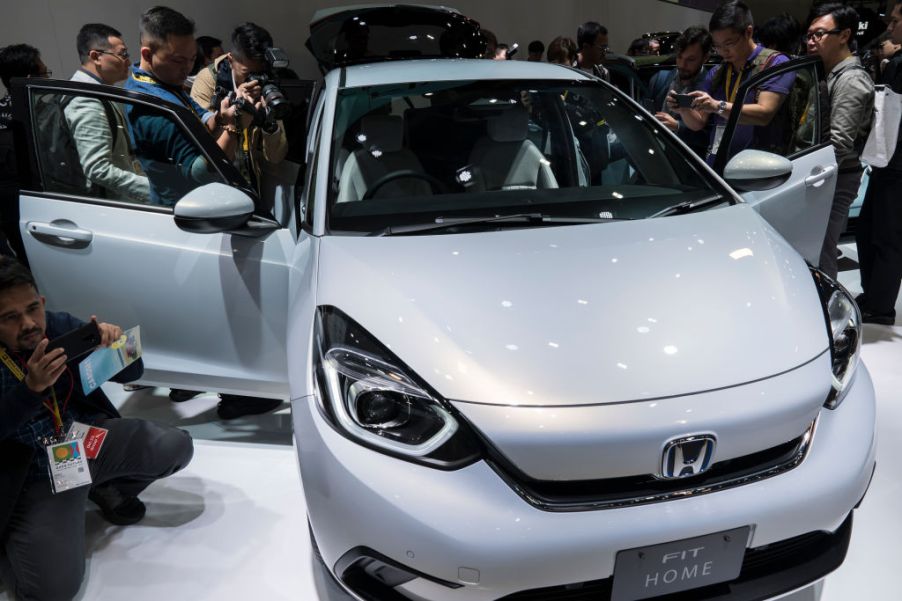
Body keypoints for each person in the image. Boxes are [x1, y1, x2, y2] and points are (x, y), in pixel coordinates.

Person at [0, 256, 194, 601]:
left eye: (32, 308)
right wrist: (30, 390)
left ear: (41, 301)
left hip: (79, 439)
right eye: (9, 317)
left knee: (174, 446)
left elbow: (134, 372)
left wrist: (117, 345)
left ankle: (103, 488)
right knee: (52, 590)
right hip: (27, 476)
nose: (28, 324)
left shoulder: (59, 326)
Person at [124, 6, 252, 206]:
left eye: (192, 59)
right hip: (181, 211)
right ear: (148, 55)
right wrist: (234, 127)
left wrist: (222, 116)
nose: (188, 69)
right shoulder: (150, 108)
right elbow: (202, 173)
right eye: (178, 60)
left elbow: (200, 118)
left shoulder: (164, 81)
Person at [672, 0, 795, 166]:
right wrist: (684, 109)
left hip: (759, 168)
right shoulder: (718, 72)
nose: (723, 52)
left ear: (748, 32)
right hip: (717, 164)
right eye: (717, 46)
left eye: (729, 44)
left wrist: (718, 106)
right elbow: (698, 122)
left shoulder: (775, 64)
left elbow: (764, 114)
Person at [805, 4, 874, 280]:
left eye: (819, 34)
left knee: (821, 252)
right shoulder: (828, 73)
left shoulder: (851, 80)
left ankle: (827, 304)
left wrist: (801, 173)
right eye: (809, 35)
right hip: (823, 175)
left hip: (833, 178)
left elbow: (839, 144)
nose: (811, 41)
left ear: (844, 35)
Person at [190, 22, 287, 194]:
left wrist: (269, 123)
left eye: (259, 73)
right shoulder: (208, 80)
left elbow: (276, 157)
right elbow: (199, 142)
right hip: (215, 185)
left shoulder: (266, 83)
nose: (254, 81)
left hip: (250, 183)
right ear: (230, 60)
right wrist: (236, 104)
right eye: (247, 74)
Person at [66, 24, 151, 202]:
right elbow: (98, 169)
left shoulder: (96, 90)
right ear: (96, 57)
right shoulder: (85, 99)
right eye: (123, 54)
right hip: (111, 205)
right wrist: (153, 191)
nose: (129, 62)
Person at [855, 1, 902, 325]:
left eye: (896, 21)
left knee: (886, 235)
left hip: (895, 162)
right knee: (870, 229)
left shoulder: (898, 63)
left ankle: (881, 306)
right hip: (889, 160)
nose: (890, 26)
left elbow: (888, 113)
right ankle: (873, 296)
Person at [0, 44, 50, 259]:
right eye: (46, 73)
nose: (48, 79)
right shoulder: (47, 115)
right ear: (31, 78)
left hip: (13, 219)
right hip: (48, 212)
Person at [646, 26, 712, 157]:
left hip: (688, 161)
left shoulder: (710, 87)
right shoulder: (659, 79)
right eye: (679, 57)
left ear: (705, 58)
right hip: (654, 155)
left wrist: (677, 126)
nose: (682, 64)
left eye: (690, 59)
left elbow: (709, 137)